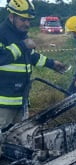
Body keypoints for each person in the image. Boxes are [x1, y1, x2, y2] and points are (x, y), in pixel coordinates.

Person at [0, 0, 66, 129]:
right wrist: (22, 45)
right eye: (23, 20)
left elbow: (31, 56)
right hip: (3, 104)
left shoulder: (20, 34)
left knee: (18, 139)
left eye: (29, 20)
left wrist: (51, 64)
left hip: (21, 100)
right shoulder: (1, 34)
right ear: (12, 16)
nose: (27, 24)